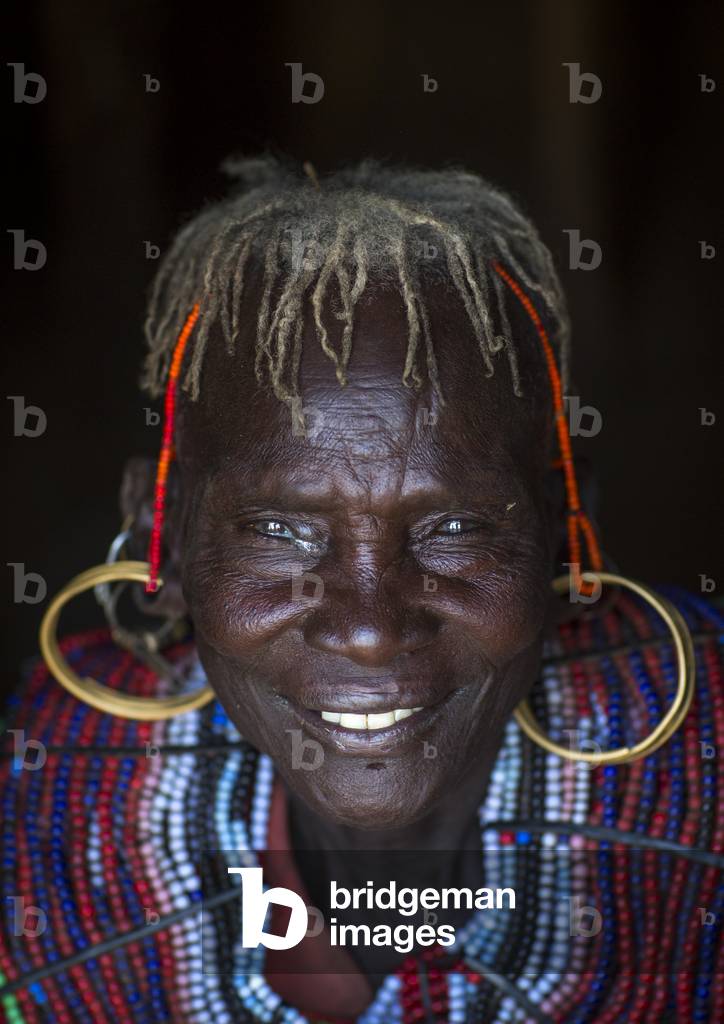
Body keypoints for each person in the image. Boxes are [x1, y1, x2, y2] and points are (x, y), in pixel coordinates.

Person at [1, 157, 722, 1024]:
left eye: (455, 527)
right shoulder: (52, 792)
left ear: (570, 530)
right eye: (279, 529)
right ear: (163, 539)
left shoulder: (705, 774)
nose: (373, 629)